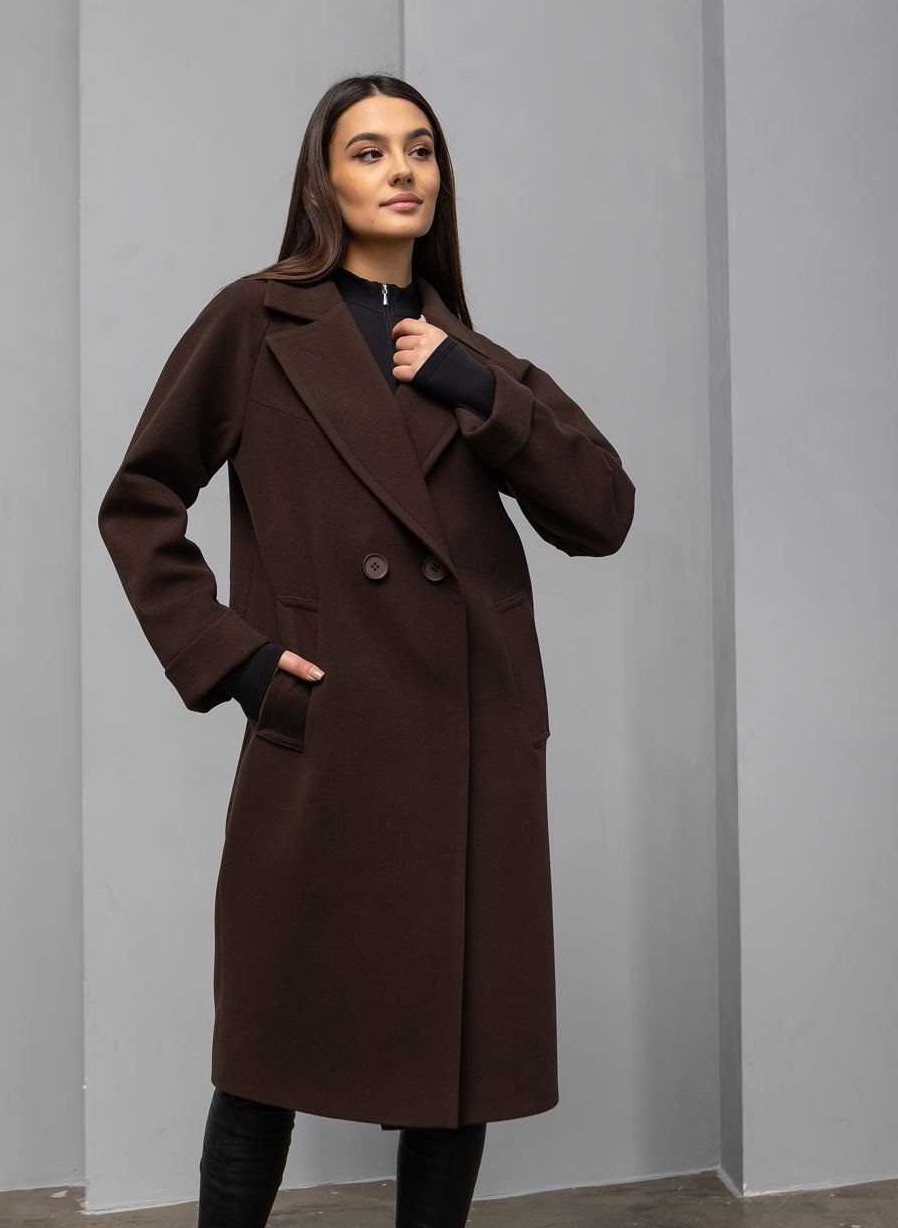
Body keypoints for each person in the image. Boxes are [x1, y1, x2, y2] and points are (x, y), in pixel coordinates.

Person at [98, 73, 636, 1227]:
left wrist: (479, 390)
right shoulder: (257, 320)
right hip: (329, 731)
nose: (401, 169)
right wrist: (234, 659)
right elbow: (140, 499)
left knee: (451, 1068)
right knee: (263, 1051)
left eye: (420, 148)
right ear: (323, 180)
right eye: (369, 149)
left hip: (471, 741)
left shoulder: (470, 353)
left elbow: (602, 511)